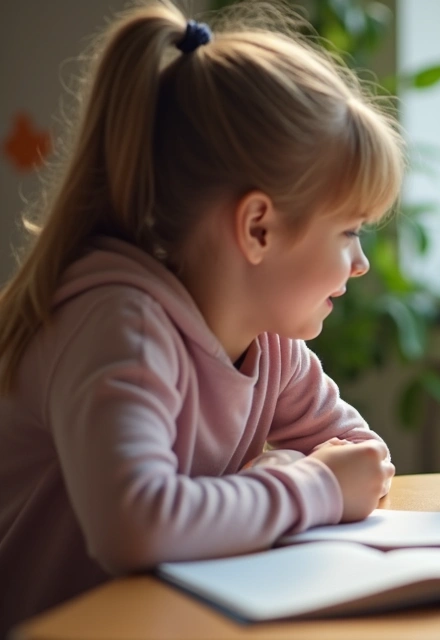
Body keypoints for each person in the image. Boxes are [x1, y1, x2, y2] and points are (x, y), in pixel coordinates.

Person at [0, 3, 403, 631]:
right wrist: (311, 486)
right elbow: (135, 526)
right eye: (349, 232)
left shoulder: (271, 345)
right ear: (258, 227)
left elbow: (362, 458)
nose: (360, 265)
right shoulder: (120, 325)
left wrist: (293, 475)